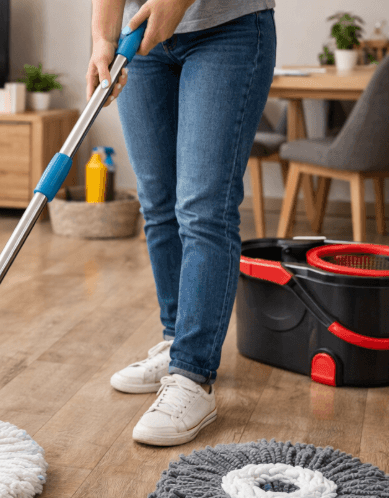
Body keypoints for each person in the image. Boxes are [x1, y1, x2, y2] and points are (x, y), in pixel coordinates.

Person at [88, 0, 276, 445]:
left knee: (204, 209)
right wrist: (103, 38)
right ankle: (176, 340)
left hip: (227, 26)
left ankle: (193, 374)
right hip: (143, 38)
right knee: (158, 202)